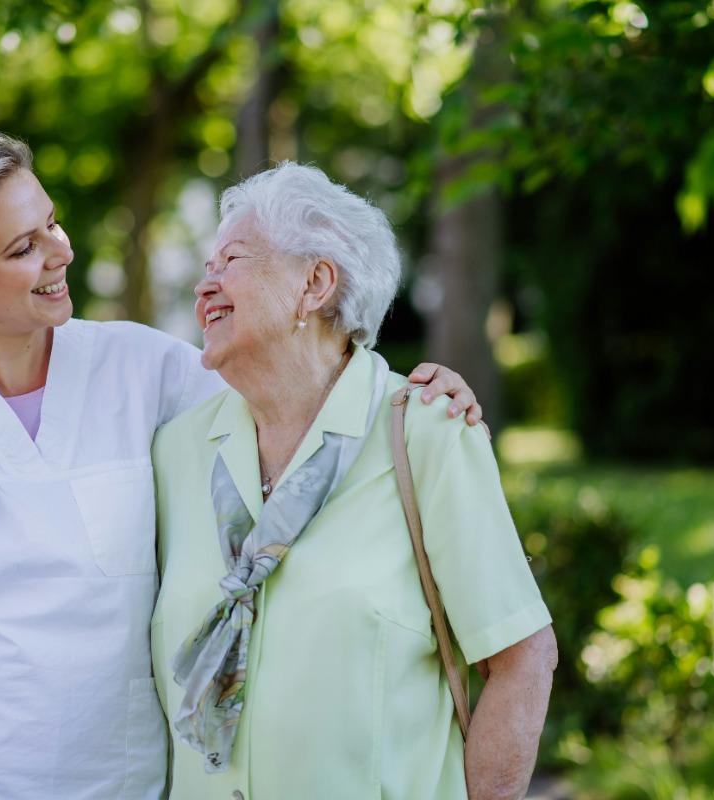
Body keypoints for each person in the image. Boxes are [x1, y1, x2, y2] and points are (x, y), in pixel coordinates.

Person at [0, 132, 486, 799]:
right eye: (24, 247)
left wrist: (411, 395)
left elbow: (300, 398)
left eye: (52, 223)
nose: (61, 252)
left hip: (135, 785)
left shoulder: (143, 368)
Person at [150, 162, 558, 800]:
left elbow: (520, 658)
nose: (206, 287)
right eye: (206, 267)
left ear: (314, 284)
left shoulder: (427, 431)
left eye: (229, 260)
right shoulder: (176, 450)